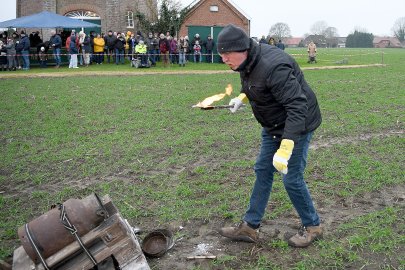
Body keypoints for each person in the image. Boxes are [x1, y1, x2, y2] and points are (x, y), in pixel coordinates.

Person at [216, 24, 323, 248]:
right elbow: (254, 84)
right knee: (263, 170)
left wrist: (285, 148)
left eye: (227, 54)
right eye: (221, 54)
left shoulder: (274, 66)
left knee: (291, 178)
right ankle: (250, 226)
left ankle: (313, 226)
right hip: (272, 124)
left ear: (243, 48)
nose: (223, 58)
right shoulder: (246, 62)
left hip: (298, 123)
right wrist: (242, 98)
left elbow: (297, 106)